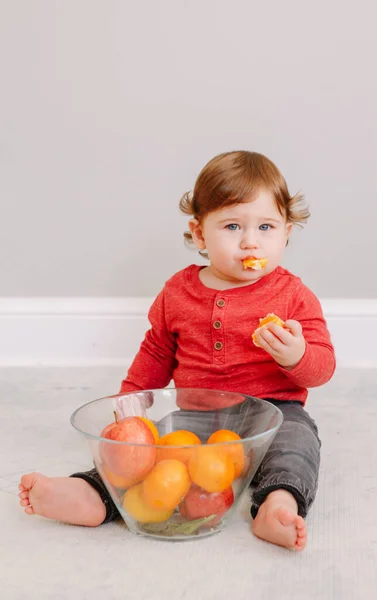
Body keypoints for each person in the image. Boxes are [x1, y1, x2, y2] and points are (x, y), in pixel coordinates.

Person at [18, 150, 335, 551]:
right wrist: (132, 398)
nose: (250, 241)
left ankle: (277, 504)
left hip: (273, 412)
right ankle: (92, 494)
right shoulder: (179, 292)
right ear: (200, 233)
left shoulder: (292, 295)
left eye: (267, 227)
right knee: (146, 455)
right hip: (196, 413)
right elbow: (156, 351)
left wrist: (297, 356)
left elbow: (321, 369)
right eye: (232, 225)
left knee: (298, 443)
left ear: (287, 232)